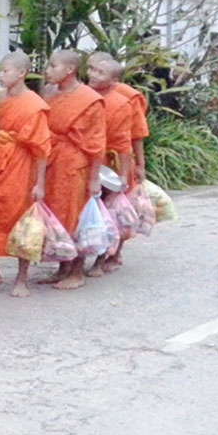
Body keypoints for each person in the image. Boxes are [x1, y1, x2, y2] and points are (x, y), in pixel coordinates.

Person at [0, 52, 51, 298]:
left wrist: (39, 183)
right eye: (1, 71)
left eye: (6, 71)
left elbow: (41, 147)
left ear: (21, 73)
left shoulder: (34, 104)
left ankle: (21, 278)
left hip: (20, 164)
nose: (2, 75)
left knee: (20, 218)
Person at [42, 50, 105, 290]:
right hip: (52, 161)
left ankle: (77, 271)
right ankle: (62, 267)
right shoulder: (50, 94)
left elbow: (97, 141)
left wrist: (94, 177)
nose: (48, 70)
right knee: (55, 213)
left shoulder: (89, 99)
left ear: (69, 69)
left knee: (74, 213)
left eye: (53, 66)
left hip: (75, 163)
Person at [87, 57, 133, 276]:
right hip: (87, 161)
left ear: (114, 80)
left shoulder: (121, 103)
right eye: (91, 70)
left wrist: (123, 176)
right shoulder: (84, 96)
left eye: (100, 73)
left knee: (108, 212)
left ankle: (102, 259)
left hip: (111, 164)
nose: (93, 75)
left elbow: (125, 143)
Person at [87, 51, 149, 188]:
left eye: (97, 71)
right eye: (90, 69)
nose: (90, 74)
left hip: (116, 162)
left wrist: (140, 165)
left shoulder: (127, 97)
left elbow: (136, 134)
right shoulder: (85, 93)